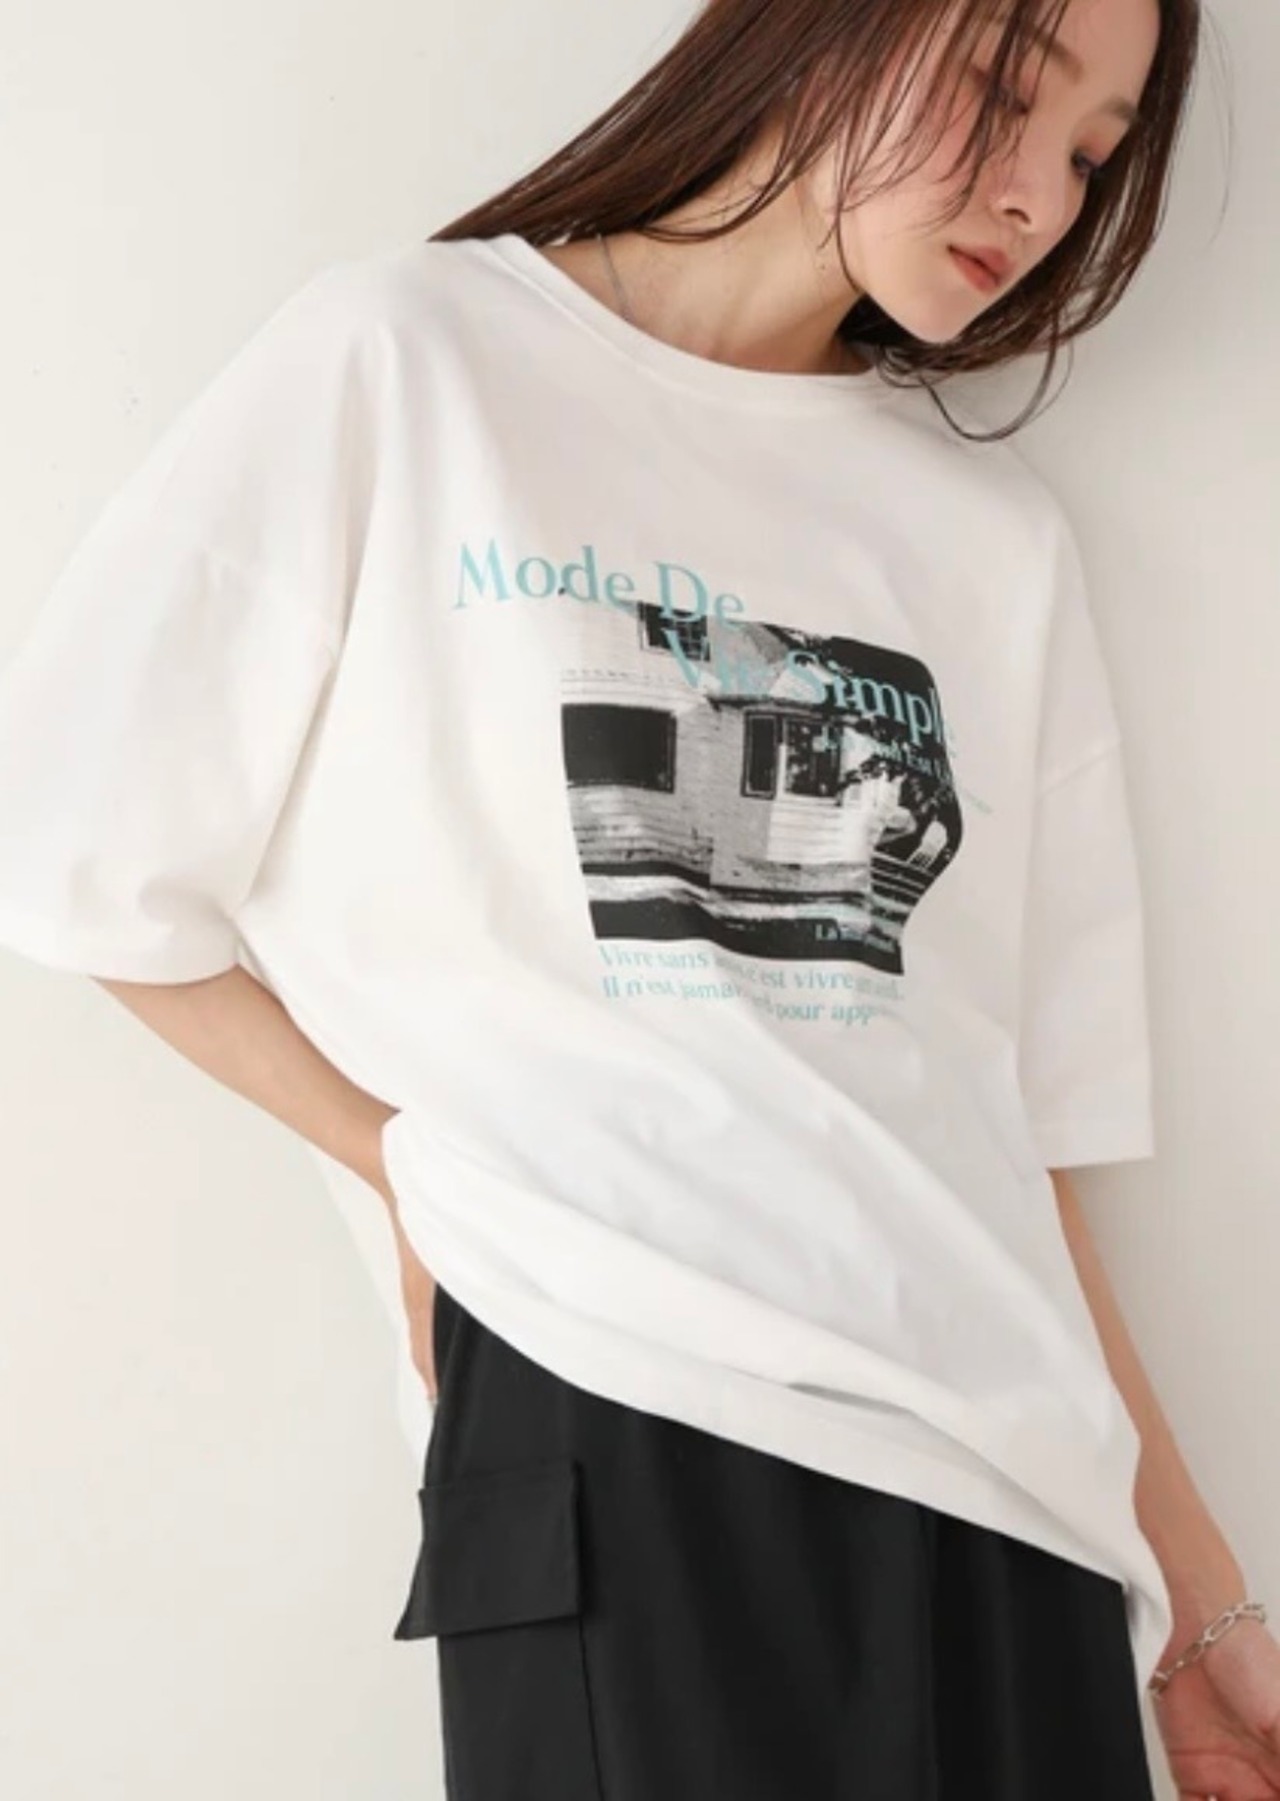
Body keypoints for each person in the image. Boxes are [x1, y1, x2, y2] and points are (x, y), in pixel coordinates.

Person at [0, 0, 1276, 1794]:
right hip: (622, 1411)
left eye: (1090, 151)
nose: (1041, 196)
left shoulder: (994, 540)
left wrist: (1199, 1607)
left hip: (1021, 1508)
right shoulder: (411, 362)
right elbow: (77, 850)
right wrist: (404, 1170)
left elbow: (1018, 1137)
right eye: (1002, 88)